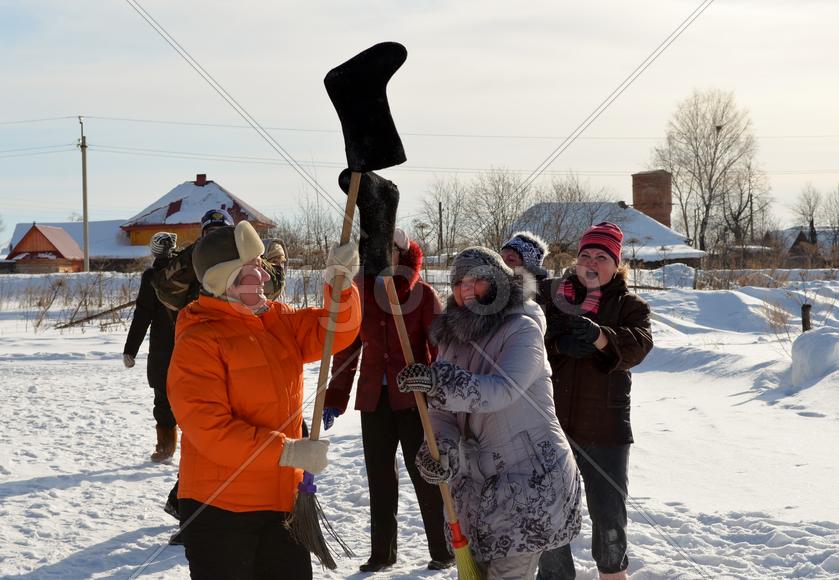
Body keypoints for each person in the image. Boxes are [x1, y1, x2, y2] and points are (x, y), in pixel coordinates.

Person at [166, 221, 361, 579]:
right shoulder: (199, 340)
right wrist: (286, 451)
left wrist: (342, 287)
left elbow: (336, 332)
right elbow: (210, 431)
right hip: (221, 511)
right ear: (222, 282)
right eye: (247, 270)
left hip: (282, 503)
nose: (260, 273)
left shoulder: (276, 319)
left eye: (259, 263)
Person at [397, 247, 582, 580]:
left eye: (475, 280)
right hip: (474, 493)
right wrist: (441, 450)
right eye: (458, 284)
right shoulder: (452, 339)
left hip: (528, 485)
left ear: (497, 281)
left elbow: (502, 389)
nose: (465, 289)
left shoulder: (523, 328)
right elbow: (441, 413)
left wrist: (438, 381)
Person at [322, 228, 453, 572]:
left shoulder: (422, 295)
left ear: (402, 256)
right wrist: (336, 395)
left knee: (425, 474)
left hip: (415, 400)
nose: (382, 260)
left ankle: (442, 549)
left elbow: (442, 349)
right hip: (373, 400)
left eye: (390, 253)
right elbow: (348, 351)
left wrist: (439, 388)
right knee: (379, 477)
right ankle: (382, 552)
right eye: (375, 254)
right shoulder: (360, 298)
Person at [537, 222, 653, 580]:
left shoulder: (630, 306)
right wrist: (556, 344)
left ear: (616, 265)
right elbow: (528, 339)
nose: (591, 261)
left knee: (608, 512)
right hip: (554, 426)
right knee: (551, 508)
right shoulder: (553, 298)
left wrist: (600, 336)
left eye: (601, 256)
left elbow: (639, 344)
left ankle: (613, 574)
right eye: (585, 254)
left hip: (605, 429)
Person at [123, 232, 179, 462]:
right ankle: (202, 446)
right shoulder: (190, 272)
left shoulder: (152, 276)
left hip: (163, 346)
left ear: (153, 251)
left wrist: (130, 349)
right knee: (197, 395)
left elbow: (142, 315)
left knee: (163, 398)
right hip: (192, 341)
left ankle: (165, 448)